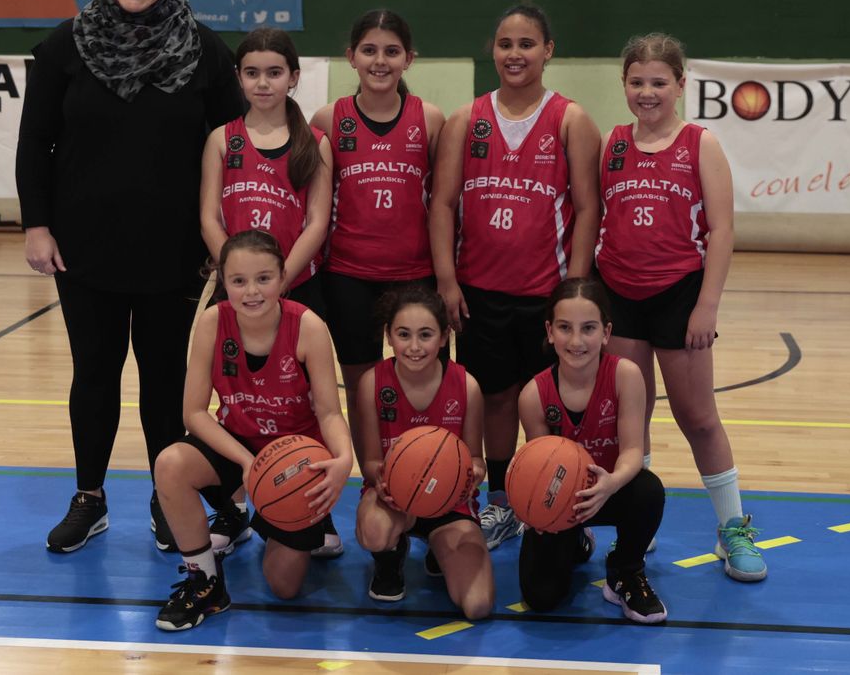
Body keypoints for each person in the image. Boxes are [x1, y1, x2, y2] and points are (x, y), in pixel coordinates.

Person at [16, 0, 244, 555]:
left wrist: (222, 239)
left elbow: (232, 149)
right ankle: (89, 498)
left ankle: (166, 496)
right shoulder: (65, 46)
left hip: (176, 252)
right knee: (94, 373)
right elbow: (35, 141)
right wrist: (37, 225)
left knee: (165, 381)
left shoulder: (205, 51)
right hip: (83, 248)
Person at [429, 1, 601, 550]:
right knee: (496, 399)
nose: (515, 54)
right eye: (505, 44)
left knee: (551, 403)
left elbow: (588, 209)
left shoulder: (570, 120)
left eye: (527, 44)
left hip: (546, 294)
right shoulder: (466, 119)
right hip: (480, 291)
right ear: (493, 51)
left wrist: (573, 292)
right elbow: (443, 204)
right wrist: (447, 281)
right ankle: (503, 502)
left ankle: (559, 502)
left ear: (548, 50)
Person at [594, 33, 765, 582]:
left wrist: (706, 306)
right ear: (623, 84)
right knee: (630, 417)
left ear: (680, 85)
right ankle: (636, 525)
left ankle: (732, 528)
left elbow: (722, 231)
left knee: (698, 417)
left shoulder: (700, 144)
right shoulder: (612, 143)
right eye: (636, 82)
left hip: (679, 295)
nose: (647, 92)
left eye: (658, 82)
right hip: (619, 293)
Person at [151, 229, 354, 632]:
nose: (252, 291)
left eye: (263, 278)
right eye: (238, 280)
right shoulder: (213, 321)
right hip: (238, 445)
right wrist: (248, 462)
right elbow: (194, 414)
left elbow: (330, 413)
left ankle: (300, 525)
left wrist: (345, 458)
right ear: (223, 281)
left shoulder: (309, 327)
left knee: (283, 586)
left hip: (295, 456)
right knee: (170, 463)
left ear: (283, 278)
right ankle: (205, 582)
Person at [199, 28, 337, 556]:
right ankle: (232, 509)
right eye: (252, 73)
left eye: (274, 72)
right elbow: (209, 217)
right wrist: (238, 278)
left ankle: (313, 506)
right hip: (236, 293)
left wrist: (278, 284)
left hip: (299, 288)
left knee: (306, 401)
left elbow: (317, 222)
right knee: (233, 397)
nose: (263, 83)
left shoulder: (314, 144)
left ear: (293, 78)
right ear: (239, 78)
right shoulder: (223, 139)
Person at [310, 10, 445, 434]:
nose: (380, 61)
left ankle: (427, 463)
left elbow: (444, 204)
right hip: (348, 274)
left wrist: (447, 276)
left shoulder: (430, 119)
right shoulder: (328, 119)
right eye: (369, 50)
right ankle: (372, 466)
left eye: (392, 51)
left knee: (426, 379)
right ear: (351, 56)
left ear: (409, 58)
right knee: (360, 385)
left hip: (415, 274)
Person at [517, 278, 666, 624]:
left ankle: (625, 571)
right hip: (561, 499)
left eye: (588, 328)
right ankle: (575, 541)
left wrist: (610, 483)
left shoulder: (625, 376)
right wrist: (539, 513)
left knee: (648, 490)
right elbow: (537, 469)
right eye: (565, 328)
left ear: (606, 332)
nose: (576, 341)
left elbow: (633, 451)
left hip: (611, 490)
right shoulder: (534, 395)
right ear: (550, 331)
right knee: (541, 598)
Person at [353, 285, 492, 619]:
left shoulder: (467, 386)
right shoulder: (372, 383)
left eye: (425, 335)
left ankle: (438, 548)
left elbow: (476, 459)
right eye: (404, 334)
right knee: (375, 532)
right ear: (388, 336)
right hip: (393, 498)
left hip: (448, 501)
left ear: (444, 337)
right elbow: (370, 462)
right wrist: (382, 481)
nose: (414, 347)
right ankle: (390, 557)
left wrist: (472, 473)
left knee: (477, 605)